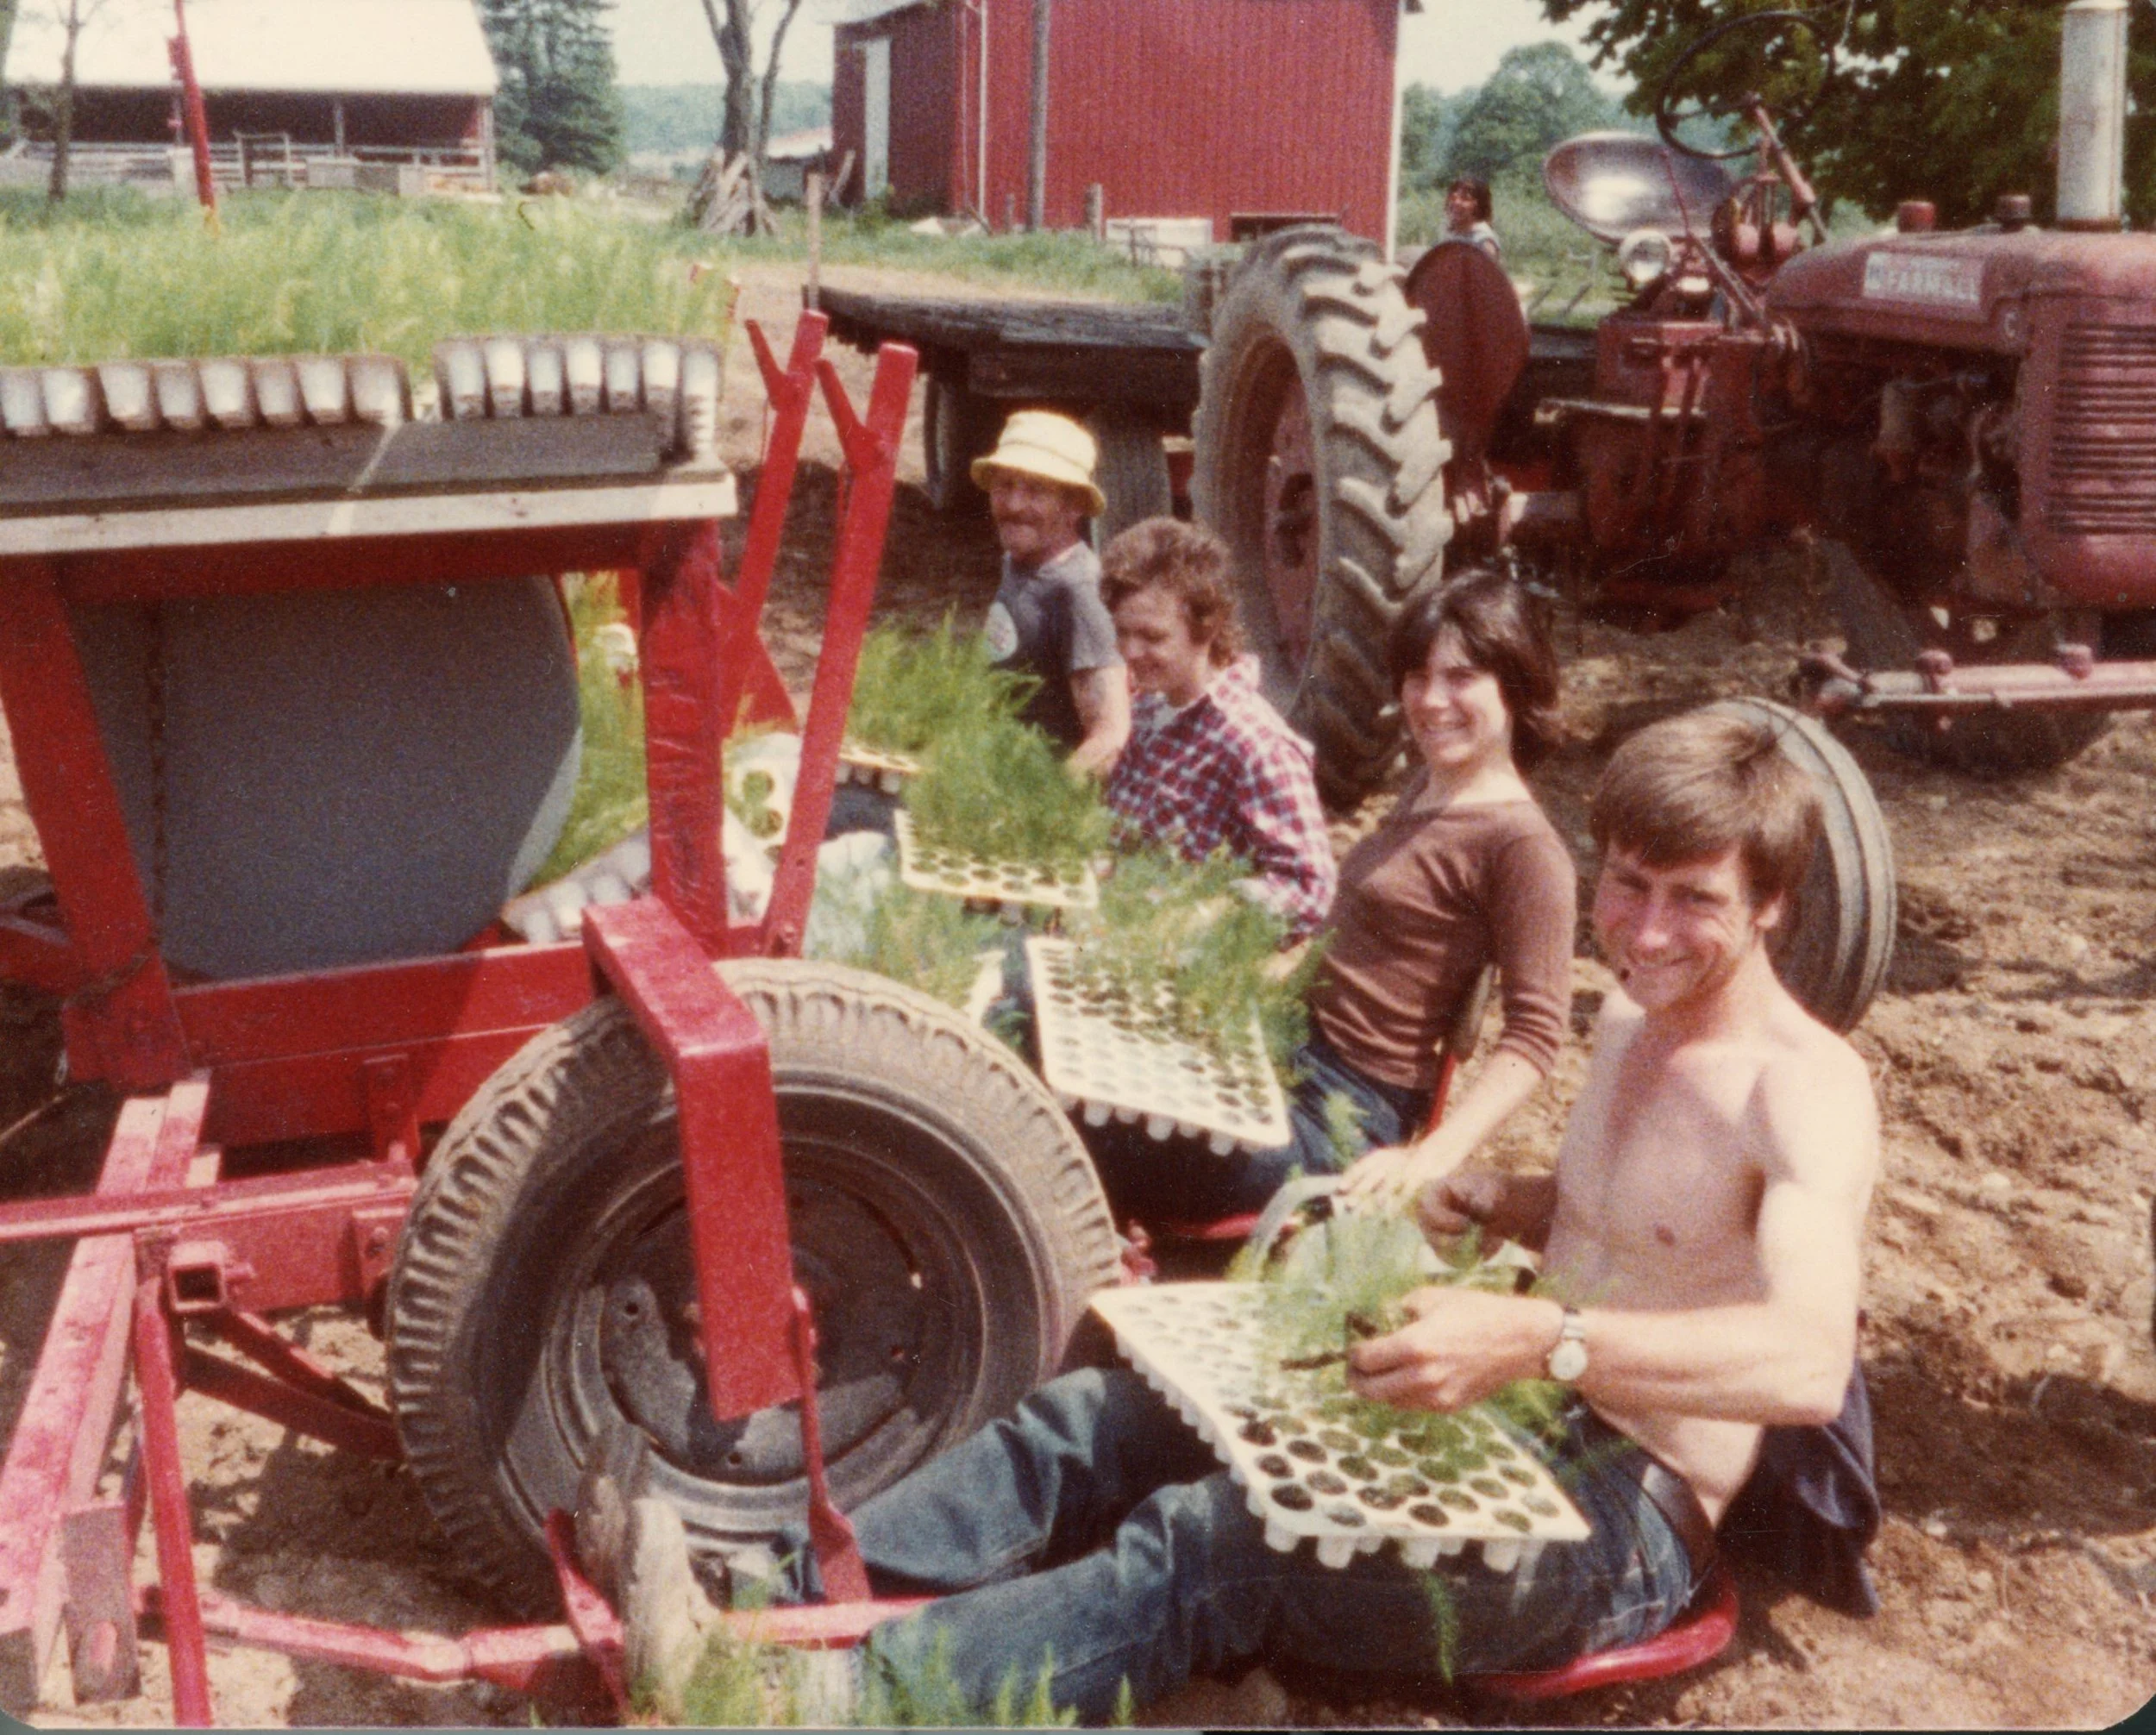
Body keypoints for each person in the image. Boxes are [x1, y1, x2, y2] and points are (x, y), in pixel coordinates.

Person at [612, 706, 1883, 1720]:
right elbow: (1638, 1227)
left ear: (1773, 903)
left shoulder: (1804, 1091)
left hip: (1620, 1520)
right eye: (1626, 885)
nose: (1644, 931)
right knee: (1102, 1419)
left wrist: (1536, 1343)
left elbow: (1806, 1362)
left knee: (1211, 1547)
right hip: (1516, 1417)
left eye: (1696, 900)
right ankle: (766, 1578)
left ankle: (798, 1701)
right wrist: (1498, 1198)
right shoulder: (1633, 1018)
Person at [1093, 567, 1576, 1225]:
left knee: (1102, 1140)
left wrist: (1430, 1158)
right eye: (1417, 676)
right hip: (1289, 1051)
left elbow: (1535, 1037)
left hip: (1345, 1111)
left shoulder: (1523, 846)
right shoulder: (1430, 788)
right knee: (1093, 1075)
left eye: (1461, 678)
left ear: (1516, 685)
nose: (1431, 701)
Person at [1098, 517, 1336, 940]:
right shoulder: (1151, 709)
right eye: (1122, 633)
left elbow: (1311, 888)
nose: (1131, 652)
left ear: (1207, 627)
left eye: (1153, 637)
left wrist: (1208, 915)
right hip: (1125, 938)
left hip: (1192, 970)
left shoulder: (1254, 741)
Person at [973, 410, 1131, 776]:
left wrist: (1043, 808)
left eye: (1036, 491)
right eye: (1005, 486)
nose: (1013, 506)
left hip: (1037, 802)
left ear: (1074, 505)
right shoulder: (1018, 562)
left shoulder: (1079, 591)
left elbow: (1109, 738)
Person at [1445, 175, 1502, 263]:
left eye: (1465, 199)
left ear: (1479, 205)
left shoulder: (1484, 241)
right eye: (1453, 198)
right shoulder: (1453, 235)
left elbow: (1488, 275)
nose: (1456, 203)